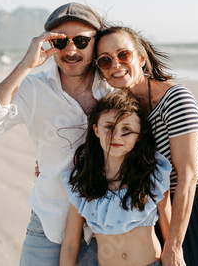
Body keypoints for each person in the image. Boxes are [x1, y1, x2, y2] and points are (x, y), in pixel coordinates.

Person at [0, 3, 198, 265]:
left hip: (110, 232)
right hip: (50, 222)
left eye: (81, 41)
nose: (71, 49)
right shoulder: (33, 89)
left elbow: (156, 141)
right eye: (60, 41)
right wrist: (25, 65)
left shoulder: (118, 89)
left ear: (95, 45)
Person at [94, 26, 198, 266]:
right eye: (105, 60)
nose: (115, 64)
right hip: (160, 212)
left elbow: (188, 174)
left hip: (195, 208)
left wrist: (174, 246)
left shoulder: (175, 98)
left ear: (141, 58)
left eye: (123, 55)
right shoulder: (125, 111)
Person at [60, 90, 171, 266]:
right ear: (96, 129)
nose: (117, 136)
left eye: (127, 129)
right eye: (109, 127)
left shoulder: (153, 175)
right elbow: (70, 245)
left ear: (139, 135)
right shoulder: (84, 182)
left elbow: (170, 233)